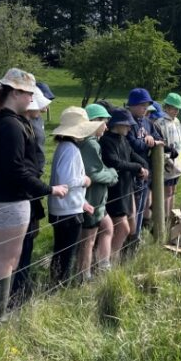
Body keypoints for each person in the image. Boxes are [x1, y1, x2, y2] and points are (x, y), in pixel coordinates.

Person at [0, 68, 66, 321]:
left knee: (7, 257)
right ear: (15, 92)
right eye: (29, 93)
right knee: (6, 259)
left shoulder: (2, 120)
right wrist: (49, 189)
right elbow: (16, 169)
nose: (32, 99)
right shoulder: (11, 125)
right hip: (8, 198)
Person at [48, 107, 102, 284]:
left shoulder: (64, 147)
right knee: (66, 253)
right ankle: (59, 285)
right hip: (67, 211)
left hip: (65, 207)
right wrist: (84, 180)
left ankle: (56, 283)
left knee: (61, 252)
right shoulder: (71, 150)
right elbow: (67, 180)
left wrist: (82, 202)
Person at [10, 86, 52, 305]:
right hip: (25, 189)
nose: (45, 109)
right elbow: (20, 166)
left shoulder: (30, 123)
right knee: (18, 245)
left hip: (31, 187)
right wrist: (43, 187)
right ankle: (15, 292)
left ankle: (21, 285)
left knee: (28, 238)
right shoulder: (18, 126)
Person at [101, 108, 149, 259]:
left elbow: (131, 155)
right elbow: (115, 162)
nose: (130, 127)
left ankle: (127, 257)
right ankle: (110, 261)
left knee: (132, 226)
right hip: (115, 191)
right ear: (118, 124)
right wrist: (137, 167)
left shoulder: (123, 139)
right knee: (122, 228)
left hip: (127, 188)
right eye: (127, 125)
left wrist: (143, 165)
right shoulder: (106, 141)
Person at [77, 103, 118, 281]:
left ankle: (103, 265)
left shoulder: (91, 142)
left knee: (108, 226)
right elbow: (93, 173)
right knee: (88, 239)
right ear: (94, 122)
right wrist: (112, 174)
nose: (107, 127)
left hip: (97, 199)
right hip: (91, 198)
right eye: (104, 122)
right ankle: (84, 276)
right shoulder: (90, 144)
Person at [125, 88, 164, 242]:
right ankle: (130, 239)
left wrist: (152, 139)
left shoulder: (147, 122)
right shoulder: (128, 122)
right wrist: (150, 143)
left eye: (147, 105)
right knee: (131, 208)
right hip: (131, 170)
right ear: (132, 105)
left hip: (145, 170)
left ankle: (137, 236)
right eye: (142, 105)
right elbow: (132, 145)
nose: (145, 108)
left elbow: (159, 137)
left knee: (141, 206)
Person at [159, 93, 181, 218]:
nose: (176, 111)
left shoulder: (177, 122)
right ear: (166, 107)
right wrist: (167, 159)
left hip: (178, 161)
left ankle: (171, 215)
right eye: (174, 108)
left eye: (178, 109)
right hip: (168, 162)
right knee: (168, 191)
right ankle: (165, 217)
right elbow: (161, 143)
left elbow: (180, 142)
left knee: (174, 189)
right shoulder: (160, 123)